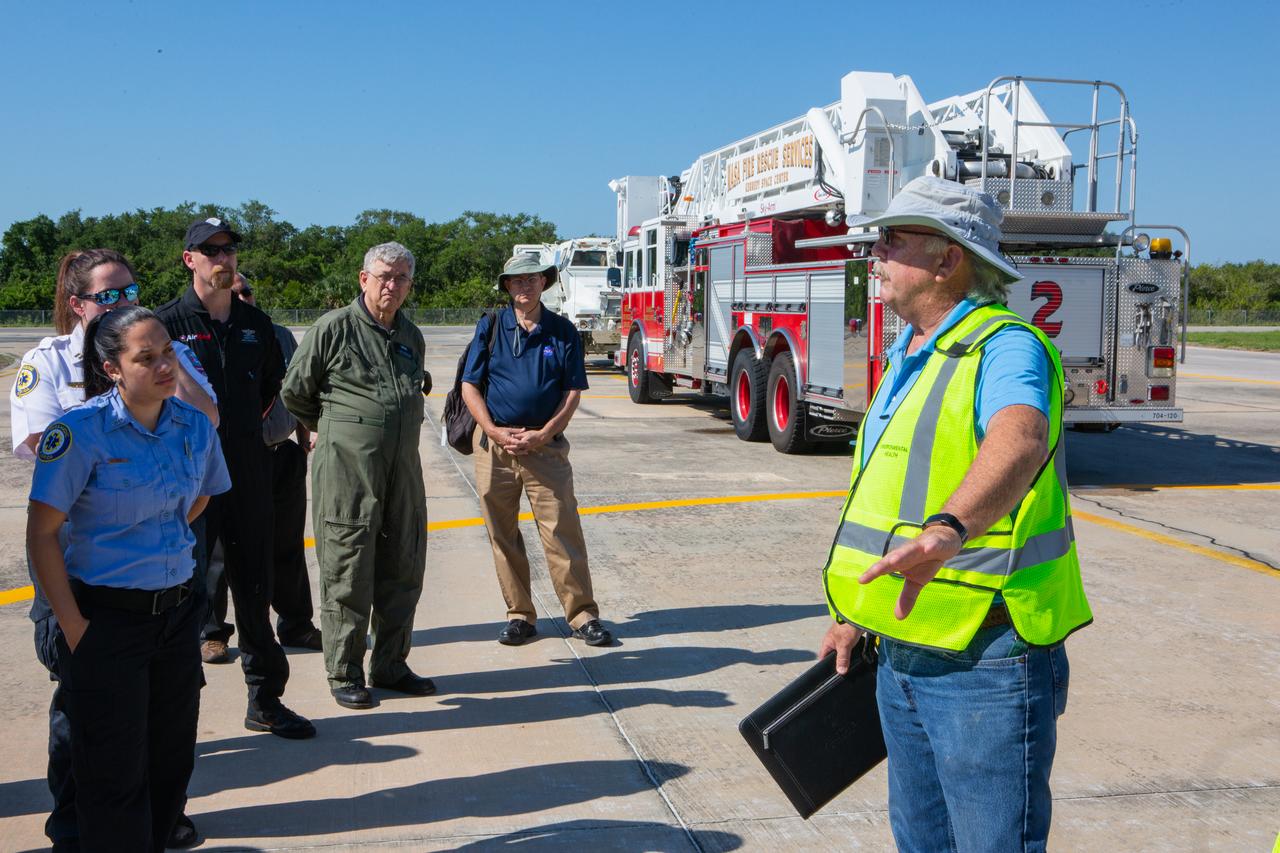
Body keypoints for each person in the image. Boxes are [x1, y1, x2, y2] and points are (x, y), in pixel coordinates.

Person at [818, 176, 1091, 852]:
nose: (875, 252)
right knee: (921, 841)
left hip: (985, 660)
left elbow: (1020, 437)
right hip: (903, 648)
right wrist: (855, 613)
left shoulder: (1005, 347)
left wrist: (948, 529)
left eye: (894, 239)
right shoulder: (912, 352)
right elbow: (889, 499)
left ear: (948, 259)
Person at [9, 249, 217, 851]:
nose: (123, 303)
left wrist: (162, 377)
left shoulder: (166, 356)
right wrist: (74, 622)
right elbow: (40, 442)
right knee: (84, 719)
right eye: (109, 296)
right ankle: (74, 825)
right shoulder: (48, 364)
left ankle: (149, 822)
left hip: (162, 583)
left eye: (131, 292)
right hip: (80, 570)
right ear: (78, 305)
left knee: (160, 732)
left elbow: (205, 428)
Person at [155, 217, 314, 738]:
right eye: (211, 251)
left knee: (254, 585)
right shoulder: (165, 326)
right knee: (185, 591)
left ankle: (265, 699)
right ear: (190, 259)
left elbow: (275, 390)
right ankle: (173, 717)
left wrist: (245, 435)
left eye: (229, 251)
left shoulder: (256, 325)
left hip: (248, 472)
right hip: (186, 480)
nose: (223, 259)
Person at [281, 242, 435, 710]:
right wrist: (338, 432)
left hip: (403, 469)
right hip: (348, 472)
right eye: (385, 275)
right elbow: (295, 394)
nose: (393, 285)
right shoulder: (332, 329)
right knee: (347, 568)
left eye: (402, 278)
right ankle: (344, 670)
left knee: (403, 567)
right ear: (363, 278)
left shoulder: (410, 335)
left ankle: (390, 664)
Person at [460, 255, 613, 648]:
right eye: (516, 281)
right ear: (507, 286)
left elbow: (572, 391)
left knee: (562, 531)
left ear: (544, 283)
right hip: (495, 448)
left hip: (544, 448)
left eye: (531, 279)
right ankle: (520, 615)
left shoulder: (562, 331)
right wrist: (493, 431)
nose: (524, 287)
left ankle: (582, 615)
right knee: (502, 533)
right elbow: (470, 386)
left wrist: (545, 433)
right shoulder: (490, 326)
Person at [231, 274, 322, 650]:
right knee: (224, 550)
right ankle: (214, 632)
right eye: (235, 292)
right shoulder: (219, 334)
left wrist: (302, 441)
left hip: (282, 452)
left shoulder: (279, 334)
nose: (242, 297)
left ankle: (296, 623)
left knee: (287, 544)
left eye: (246, 291)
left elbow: (298, 387)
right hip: (233, 457)